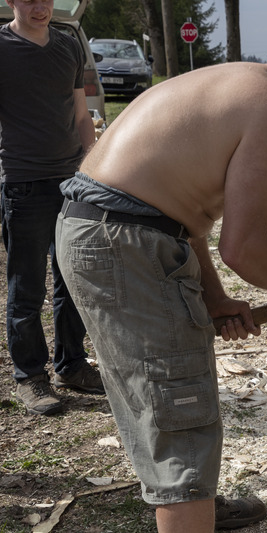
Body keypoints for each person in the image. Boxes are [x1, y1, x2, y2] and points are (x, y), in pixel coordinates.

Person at [55, 45, 267, 532]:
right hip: (125, 243)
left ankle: (192, 505)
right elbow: (245, 248)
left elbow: (181, 216)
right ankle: (185, 506)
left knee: (158, 394)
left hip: (104, 230)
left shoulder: (233, 81)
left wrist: (214, 299)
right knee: (178, 406)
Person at [0, 0, 103, 417]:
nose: (40, 6)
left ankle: (71, 365)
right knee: (26, 288)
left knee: (73, 279)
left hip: (71, 180)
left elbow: (81, 112)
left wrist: (93, 162)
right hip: (22, 182)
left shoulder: (68, 47)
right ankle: (30, 377)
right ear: (11, 1)